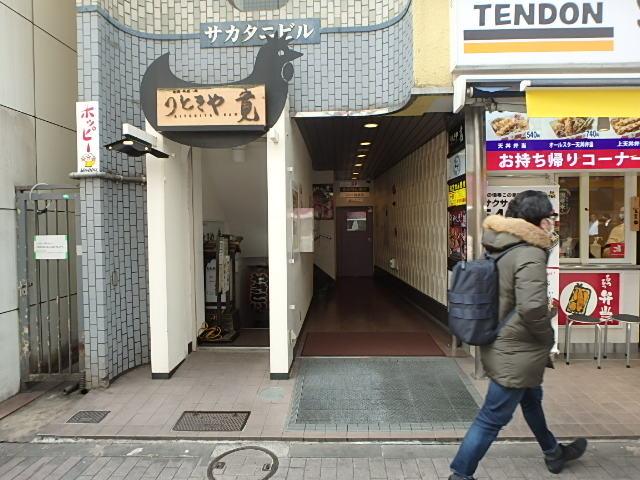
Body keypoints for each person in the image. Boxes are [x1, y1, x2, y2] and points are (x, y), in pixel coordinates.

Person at [449, 191, 587, 480]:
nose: (552, 223)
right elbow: (532, 307)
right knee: (491, 418)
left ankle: (553, 452)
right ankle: (460, 475)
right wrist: (547, 337)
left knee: (531, 400)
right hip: (516, 350)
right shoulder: (529, 252)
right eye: (550, 217)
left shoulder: (499, 243)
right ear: (539, 220)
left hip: (502, 342)